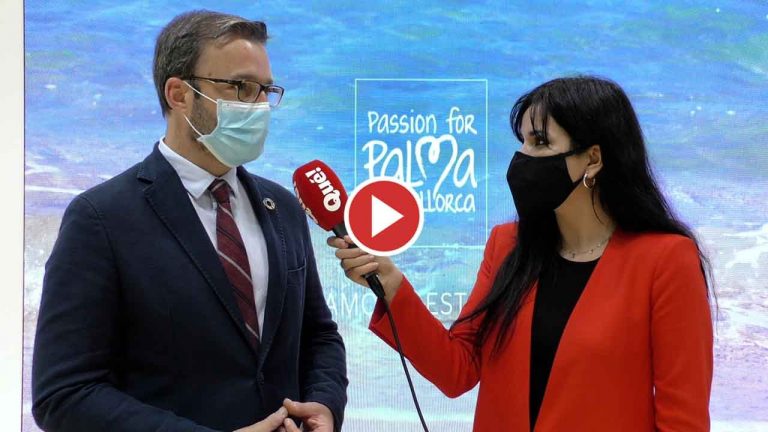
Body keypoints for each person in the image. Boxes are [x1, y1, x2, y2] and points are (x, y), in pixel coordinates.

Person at [330, 76, 714, 431]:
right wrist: (393, 287)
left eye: (540, 142)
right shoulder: (506, 245)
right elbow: (456, 370)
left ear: (593, 159)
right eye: (523, 142)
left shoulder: (667, 260)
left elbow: (683, 420)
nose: (523, 156)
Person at [32, 10, 346, 432]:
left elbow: (319, 335)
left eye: (265, 91)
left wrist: (325, 405)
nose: (258, 107)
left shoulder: (284, 209)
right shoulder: (100, 219)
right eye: (240, 87)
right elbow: (65, 394)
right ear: (179, 94)